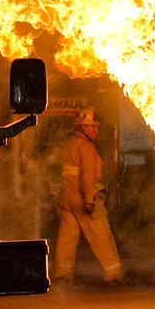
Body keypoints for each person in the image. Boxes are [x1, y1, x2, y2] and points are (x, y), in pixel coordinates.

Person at [54, 107, 123, 285]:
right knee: (100, 234)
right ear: (83, 127)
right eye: (92, 126)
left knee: (67, 237)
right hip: (82, 197)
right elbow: (88, 177)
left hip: (67, 197)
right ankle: (113, 273)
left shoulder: (70, 144)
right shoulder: (87, 147)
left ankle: (62, 274)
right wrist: (90, 200)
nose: (96, 130)